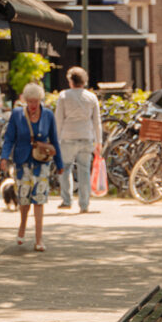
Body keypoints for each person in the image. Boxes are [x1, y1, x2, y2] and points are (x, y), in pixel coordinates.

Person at [0, 82, 62, 251]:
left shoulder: (48, 115)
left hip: (41, 163)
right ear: (25, 101)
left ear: (40, 100)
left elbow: (54, 140)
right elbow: (9, 138)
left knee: (39, 200)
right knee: (24, 199)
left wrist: (60, 163)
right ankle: (22, 226)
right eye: (30, 101)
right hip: (22, 162)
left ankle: (39, 239)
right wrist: (4, 157)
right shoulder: (17, 114)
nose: (33, 105)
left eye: (36, 101)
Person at [54, 66, 103, 213]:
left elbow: (58, 119)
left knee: (65, 168)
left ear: (71, 81)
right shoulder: (91, 97)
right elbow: (97, 121)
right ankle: (84, 204)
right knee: (84, 171)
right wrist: (99, 141)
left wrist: (55, 139)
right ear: (84, 81)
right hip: (86, 137)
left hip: (68, 137)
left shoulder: (64, 96)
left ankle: (67, 200)